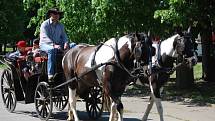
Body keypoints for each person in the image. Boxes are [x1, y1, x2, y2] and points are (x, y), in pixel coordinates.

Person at [39, 8, 69, 81]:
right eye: (55, 13)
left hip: (58, 45)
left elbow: (64, 36)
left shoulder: (61, 25)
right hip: (45, 45)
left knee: (74, 45)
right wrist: (53, 45)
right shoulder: (45, 24)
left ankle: (70, 70)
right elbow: (44, 37)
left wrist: (66, 43)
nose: (57, 15)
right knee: (52, 50)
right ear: (51, 14)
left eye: (58, 14)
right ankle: (50, 74)